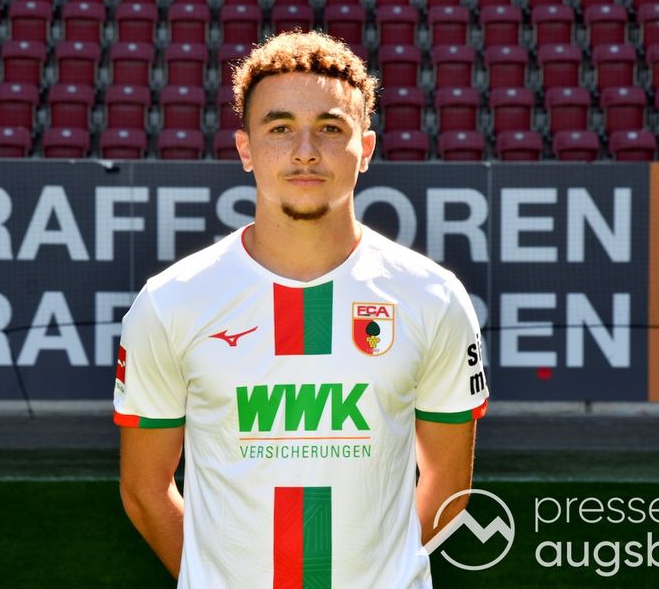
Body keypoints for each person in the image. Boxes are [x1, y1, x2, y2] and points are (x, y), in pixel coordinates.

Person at [114, 31, 489, 588]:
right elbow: (145, 491)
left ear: (366, 148)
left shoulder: (432, 297)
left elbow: (449, 487)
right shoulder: (171, 301)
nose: (305, 151)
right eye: (280, 127)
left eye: (331, 129)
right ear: (245, 149)